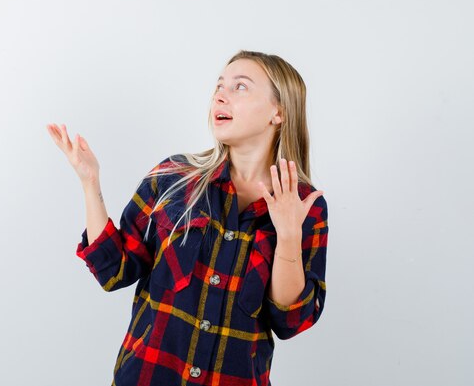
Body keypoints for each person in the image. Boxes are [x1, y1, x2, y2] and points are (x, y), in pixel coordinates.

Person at [46, 50, 328, 386]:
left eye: (240, 87)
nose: (220, 95)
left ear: (278, 111)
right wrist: (90, 182)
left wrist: (288, 235)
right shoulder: (173, 178)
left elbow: (291, 320)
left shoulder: (305, 207)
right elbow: (114, 270)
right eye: (219, 86)